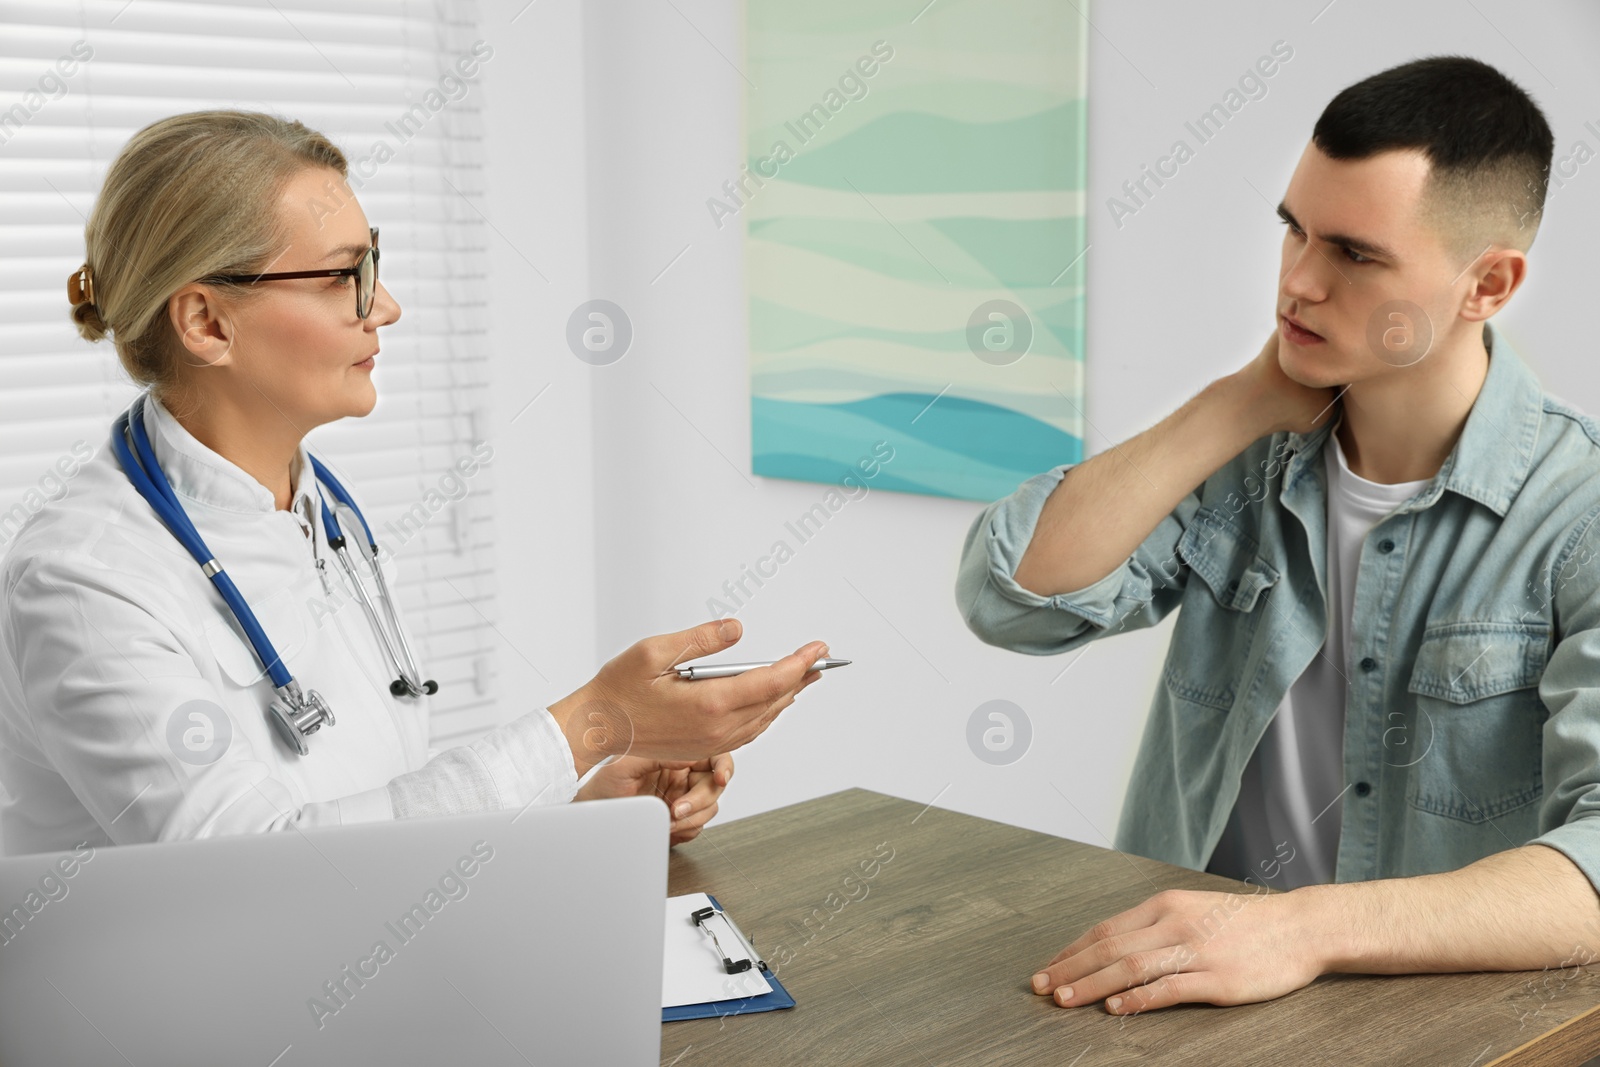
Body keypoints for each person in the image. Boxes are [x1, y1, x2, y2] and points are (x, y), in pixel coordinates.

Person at [957, 55, 1600, 1016]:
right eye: (1294, 231)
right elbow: (1012, 599)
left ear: (1489, 284)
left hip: (1425, 1031)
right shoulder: (1248, 447)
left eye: (1355, 253)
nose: (1298, 282)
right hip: (1186, 1004)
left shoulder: (1578, 514)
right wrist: (1237, 403)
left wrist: (1303, 927)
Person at [0, 110, 828, 857]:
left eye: (376, 267)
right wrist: (588, 724)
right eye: (344, 275)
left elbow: (368, 820)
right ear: (207, 322)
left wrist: (588, 803)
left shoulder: (322, 514)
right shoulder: (84, 581)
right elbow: (252, 871)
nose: (386, 306)